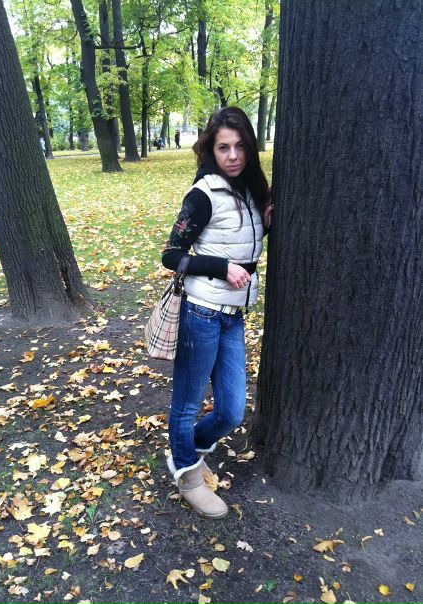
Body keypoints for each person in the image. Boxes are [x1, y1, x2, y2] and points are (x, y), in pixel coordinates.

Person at [162, 106, 273, 518]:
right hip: (201, 313)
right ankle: (187, 476)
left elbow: (239, 240)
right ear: (211, 150)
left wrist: (265, 223)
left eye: (240, 146)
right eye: (223, 147)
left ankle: (186, 448)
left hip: (233, 315)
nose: (233, 155)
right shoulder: (203, 194)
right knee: (187, 405)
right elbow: (171, 255)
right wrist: (221, 268)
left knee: (230, 411)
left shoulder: (249, 189)